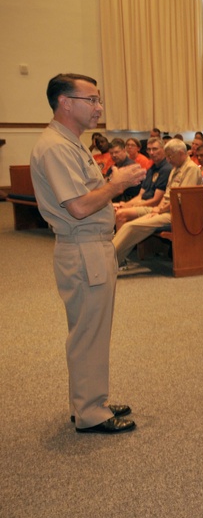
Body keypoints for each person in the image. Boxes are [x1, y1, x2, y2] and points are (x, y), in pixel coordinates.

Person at [30, 73, 145, 433]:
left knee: (91, 329)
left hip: (91, 246)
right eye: (91, 100)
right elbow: (78, 207)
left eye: (98, 100)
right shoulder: (57, 146)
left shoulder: (69, 141)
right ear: (65, 103)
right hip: (82, 247)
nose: (99, 107)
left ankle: (90, 400)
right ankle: (90, 411)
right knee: (88, 332)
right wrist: (118, 184)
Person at [112, 138, 201, 269]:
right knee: (126, 224)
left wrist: (158, 211)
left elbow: (181, 200)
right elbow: (166, 196)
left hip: (176, 215)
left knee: (131, 227)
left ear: (181, 153)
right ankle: (112, 260)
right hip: (163, 210)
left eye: (170, 156)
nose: (168, 160)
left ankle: (110, 262)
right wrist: (156, 210)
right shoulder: (175, 168)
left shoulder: (191, 169)